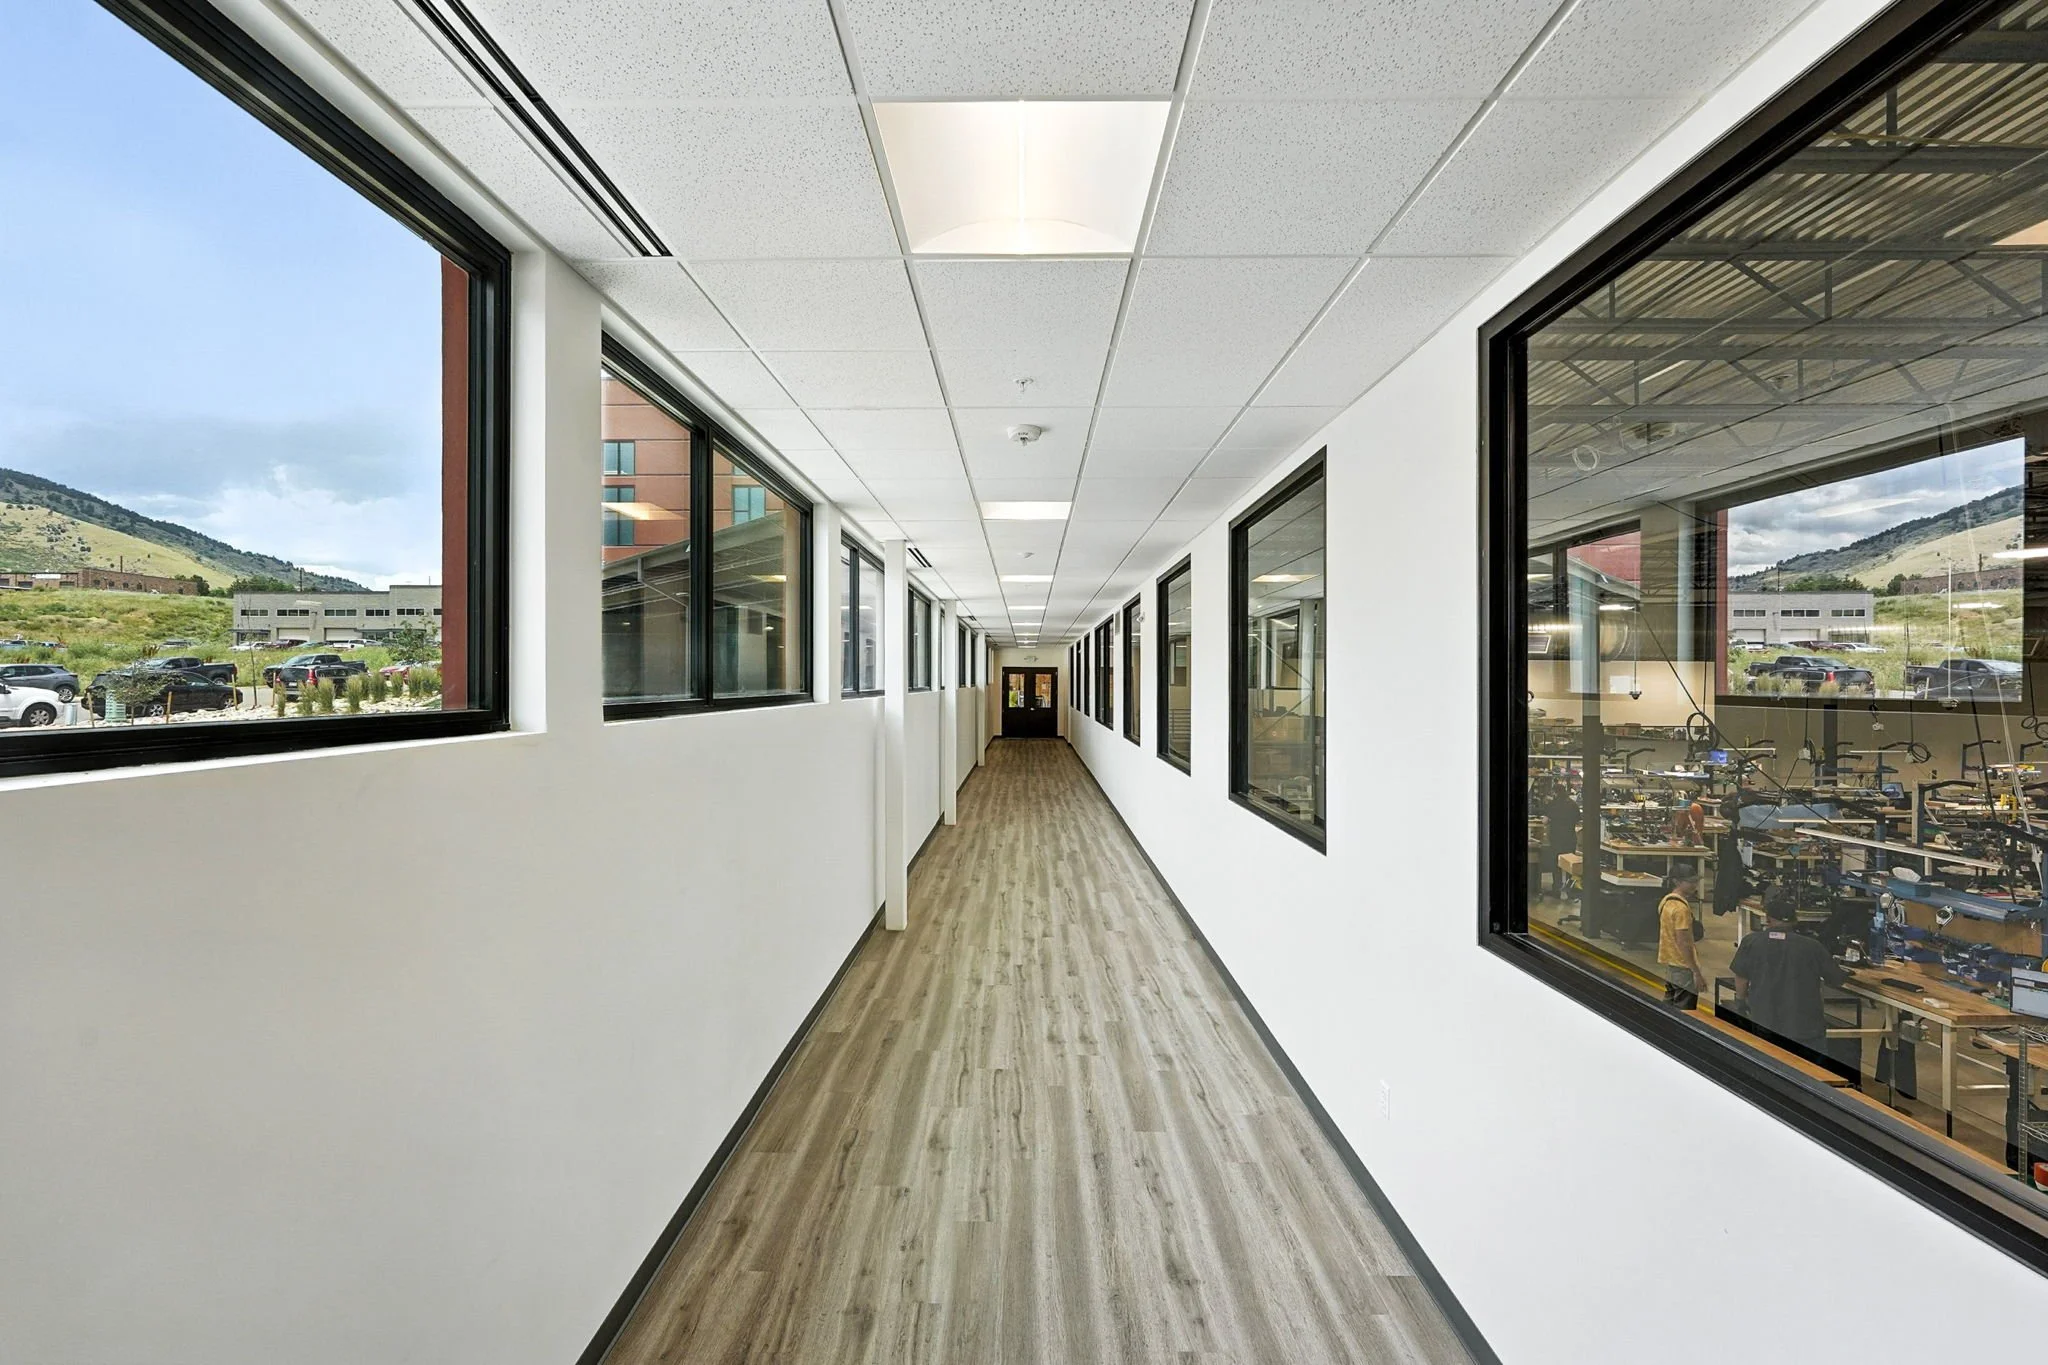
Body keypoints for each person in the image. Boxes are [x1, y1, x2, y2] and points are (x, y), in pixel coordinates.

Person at [1730, 887, 1848, 1056]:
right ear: (1795, 920)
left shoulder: (1751, 942)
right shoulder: (1812, 946)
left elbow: (1741, 977)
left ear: (1768, 919)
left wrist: (1740, 1002)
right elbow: (1836, 979)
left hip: (1765, 1024)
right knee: (1810, 1075)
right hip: (1806, 1028)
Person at [1657, 867, 1706, 1010]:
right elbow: (1683, 942)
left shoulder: (1666, 901)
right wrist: (1696, 972)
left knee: (1669, 1006)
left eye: (1696, 881)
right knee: (1684, 1011)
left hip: (1671, 963)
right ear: (1676, 881)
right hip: (1683, 965)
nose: (1694, 885)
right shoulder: (1681, 909)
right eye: (1690, 882)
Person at [1543, 783, 1580, 900]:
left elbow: (1545, 821)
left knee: (1556, 864)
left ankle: (1556, 890)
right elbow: (1578, 819)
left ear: (1555, 792)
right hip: (1570, 837)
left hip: (1556, 838)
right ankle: (1570, 891)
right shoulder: (1573, 804)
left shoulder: (1553, 804)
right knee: (1570, 865)